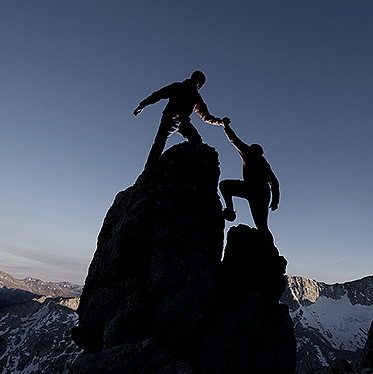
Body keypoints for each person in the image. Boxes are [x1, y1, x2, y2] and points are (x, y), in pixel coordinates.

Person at [133, 70, 223, 167]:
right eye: (198, 83)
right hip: (169, 120)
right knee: (159, 143)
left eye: (200, 84)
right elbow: (158, 95)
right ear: (194, 80)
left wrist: (220, 122)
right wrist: (143, 104)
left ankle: (186, 165)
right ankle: (149, 168)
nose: (198, 86)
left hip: (183, 123)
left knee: (196, 141)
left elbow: (205, 116)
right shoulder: (178, 87)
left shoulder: (196, 97)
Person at [219, 117, 280, 241]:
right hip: (257, 191)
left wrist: (226, 126)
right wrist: (275, 201)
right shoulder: (258, 159)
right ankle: (230, 209)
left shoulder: (251, 155)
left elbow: (234, 139)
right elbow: (274, 182)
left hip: (258, 192)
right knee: (262, 225)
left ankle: (269, 248)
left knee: (261, 225)